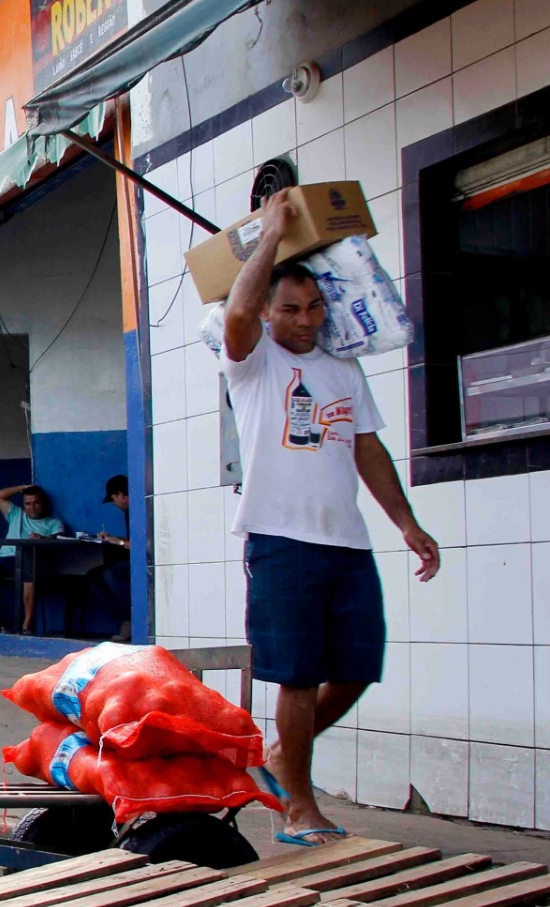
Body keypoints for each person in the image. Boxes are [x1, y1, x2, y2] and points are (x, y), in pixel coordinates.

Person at [222, 188, 440, 848]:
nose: (305, 319)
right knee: (297, 673)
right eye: (289, 308)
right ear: (269, 310)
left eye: (314, 307)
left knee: (355, 667)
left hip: (345, 541)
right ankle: (297, 808)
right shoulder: (255, 363)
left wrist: (406, 523)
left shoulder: (342, 368)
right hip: (281, 539)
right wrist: (272, 234)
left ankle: (281, 761)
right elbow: (235, 310)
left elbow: (367, 448)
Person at [0, 483, 65, 634]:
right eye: (28, 503)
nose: (32, 507)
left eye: (36, 502)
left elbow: (58, 538)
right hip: (6, 560)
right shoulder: (16, 514)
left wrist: (43, 538)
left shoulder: (53, 523)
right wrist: (22, 488)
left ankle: (26, 625)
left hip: (34, 564)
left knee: (28, 563)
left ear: (43, 503)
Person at [87, 475, 133, 642]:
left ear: (121, 494)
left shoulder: (141, 508)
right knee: (94, 576)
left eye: (113, 498)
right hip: (132, 559)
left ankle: (134, 618)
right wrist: (113, 538)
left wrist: (118, 542)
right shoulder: (129, 512)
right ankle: (125, 620)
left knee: (112, 574)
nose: (114, 503)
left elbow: (142, 546)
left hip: (148, 564)